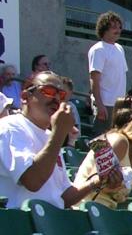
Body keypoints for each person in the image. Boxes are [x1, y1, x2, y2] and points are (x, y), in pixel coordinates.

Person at [0, 71, 121, 208]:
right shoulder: (10, 127)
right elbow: (32, 181)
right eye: (49, 91)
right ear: (25, 97)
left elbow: (64, 197)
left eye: (61, 95)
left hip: (49, 221)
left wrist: (98, 180)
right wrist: (59, 134)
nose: (56, 98)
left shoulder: (50, 136)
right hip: (22, 223)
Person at [88, 11, 128, 136]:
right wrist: (99, 105)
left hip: (119, 104)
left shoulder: (120, 48)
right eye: (114, 27)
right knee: (101, 141)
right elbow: (94, 79)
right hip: (105, 104)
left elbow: (121, 77)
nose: (118, 30)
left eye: (119, 27)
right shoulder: (98, 49)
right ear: (104, 28)